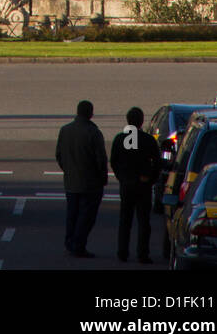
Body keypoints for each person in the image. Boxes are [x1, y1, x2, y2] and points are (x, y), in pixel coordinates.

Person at [55, 100, 108, 258]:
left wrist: (68, 170)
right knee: (86, 217)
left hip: (71, 182)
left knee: (72, 214)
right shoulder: (93, 132)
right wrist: (102, 178)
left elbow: (59, 155)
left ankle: (70, 242)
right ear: (90, 113)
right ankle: (78, 245)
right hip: (90, 184)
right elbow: (101, 159)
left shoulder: (65, 130)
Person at [110, 107, 161, 263]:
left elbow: (114, 161)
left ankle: (122, 252)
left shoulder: (119, 139)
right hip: (143, 185)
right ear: (141, 122)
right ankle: (142, 253)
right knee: (144, 221)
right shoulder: (148, 140)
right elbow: (157, 164)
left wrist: (121, 177)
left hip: (126, 184)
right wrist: (151, 180)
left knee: (125, 220)